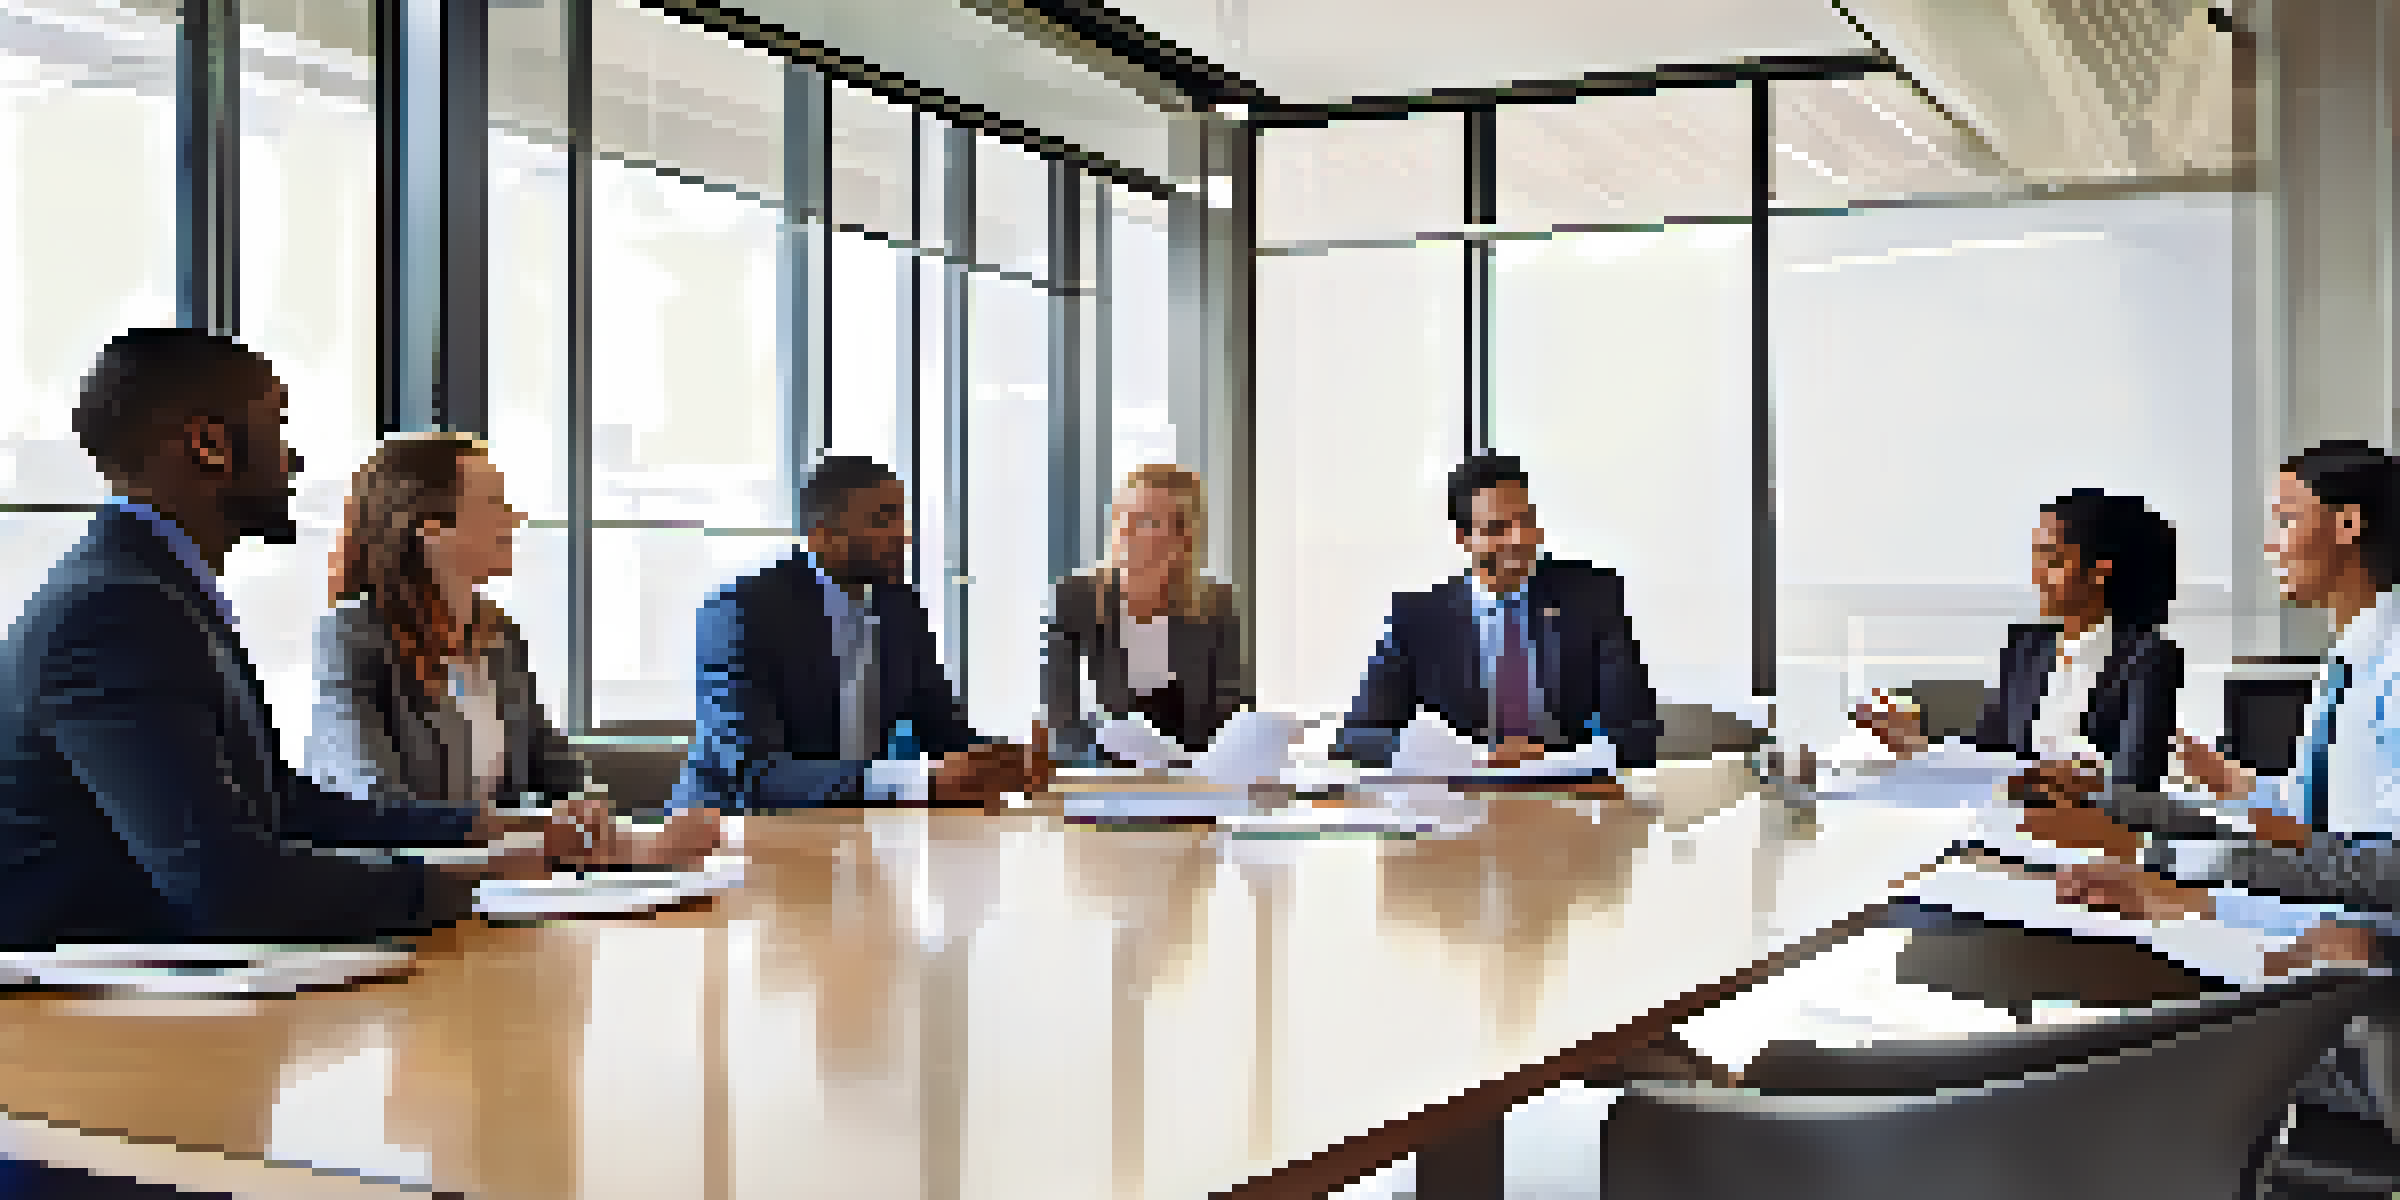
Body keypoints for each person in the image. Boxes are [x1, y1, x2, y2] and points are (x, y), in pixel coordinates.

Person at [0, 330, 595, 948]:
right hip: (83, 1015)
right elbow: (231, 888)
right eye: (277, 425)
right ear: (209, 445)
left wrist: (478, 831)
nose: (293, 459)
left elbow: (281, 805)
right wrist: (466, 885)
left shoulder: (155, 590)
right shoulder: (116, 610)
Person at [2049, 442, 2400, 1132]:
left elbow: (2380, 873)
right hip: (2328, 944)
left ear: (2348, 525)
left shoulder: (2391, 669)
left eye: (2286, 519)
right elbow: (2305, 828)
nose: (2270, 545)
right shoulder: (2347, 662)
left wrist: (2181, 879)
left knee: (2114, 1058)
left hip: (2368, 989)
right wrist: (2124, 804)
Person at [307, 433, 716, 864]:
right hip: (394, 885)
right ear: (432, 530)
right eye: (494, 505)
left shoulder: (498, 635)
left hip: (491, 879)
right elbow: (379, 804)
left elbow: (553, 761)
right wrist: (548, 829)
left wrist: (592, 811)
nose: (514, 518)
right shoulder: (351, 635)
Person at [672, 454, 1047, 811]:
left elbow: (945, 733)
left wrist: (1004, 762)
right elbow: (755, 773)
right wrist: (917, 781)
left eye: (902, 518)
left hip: (859, 830)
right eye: (882, 520)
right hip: (732, 835)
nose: (904, 537)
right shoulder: (742, 610)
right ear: (822, 535)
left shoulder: (901, 608)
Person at [1332, 453, 1661, 773]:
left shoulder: (1591, 597)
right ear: (1464, 538)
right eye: (1498, 528)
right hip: (1461, 804)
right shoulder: (1419, 619)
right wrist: (1468, 757)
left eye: (1525, 521)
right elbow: (1359, 738)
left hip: (1572, 795)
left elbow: (1635, 730)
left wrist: (1556, 756)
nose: (1519, 539)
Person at [1852, 489, 2185, 805]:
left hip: (2083, 836)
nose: (2036, 576)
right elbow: (1990, 750)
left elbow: (2135, 784)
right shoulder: (2028, 648)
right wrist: (1918, 746)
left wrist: (2067, 778)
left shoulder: (2148, 658)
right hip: (2008, 820)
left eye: (2052, 560)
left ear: (2099, 573)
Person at [1042, 464, 1249, 762]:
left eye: (1144, 520)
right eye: (1122, 515)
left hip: (1191, 775)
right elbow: (1060, 717)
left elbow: (1226, 710)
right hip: (1100, 771)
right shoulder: (1076, 599)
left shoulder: (1217, 603)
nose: (1124, 529)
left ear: (1182, 538)